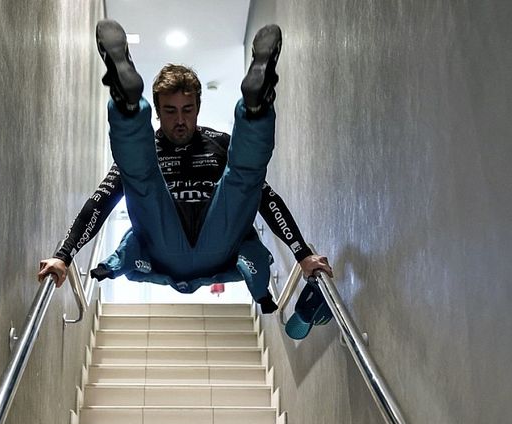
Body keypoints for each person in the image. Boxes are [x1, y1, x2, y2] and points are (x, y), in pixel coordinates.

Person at [38, 19, 332, 313]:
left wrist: (302, 253)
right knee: (141, 178)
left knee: (242, 180)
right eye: (170, 111)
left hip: (218, 238)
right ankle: (128, 103)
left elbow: (265, 199)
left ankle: (256, 106)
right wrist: (64, 255)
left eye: (187, 110)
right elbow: (100, 202)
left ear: (198, 108)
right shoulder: (155, 149)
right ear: (157, 111)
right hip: (165, 241)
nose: (180, 120)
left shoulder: (220, 144)